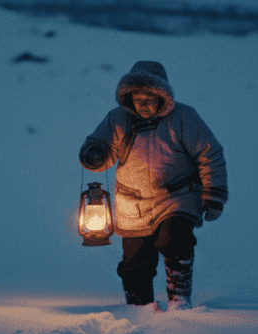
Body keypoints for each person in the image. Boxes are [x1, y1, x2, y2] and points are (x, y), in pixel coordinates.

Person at [79, 61, 227, 311]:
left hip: (177, 197)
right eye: (138, 99)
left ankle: (179, 298)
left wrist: (214, 195)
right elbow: (103, 146)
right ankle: (140, 309)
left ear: (162, 96)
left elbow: (209, 154)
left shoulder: (184, 117)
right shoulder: (117, 119)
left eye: (150, 99)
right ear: (129, 97)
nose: (143, 105)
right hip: (133, 203)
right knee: (135, 263)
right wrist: (95, 154)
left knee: (175, 239)